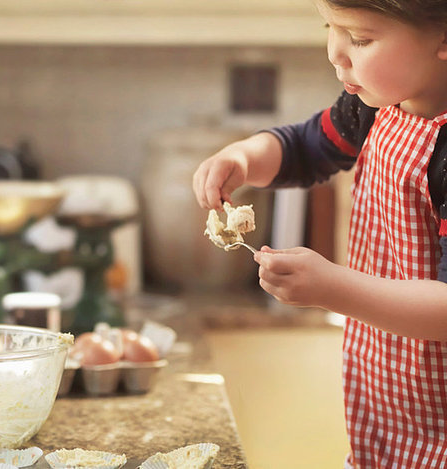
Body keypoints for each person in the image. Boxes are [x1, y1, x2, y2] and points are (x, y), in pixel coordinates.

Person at [192, 1, 447, 468]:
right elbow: (304, 148)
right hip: (386, 400)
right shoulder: (374, 106)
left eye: (361, 39)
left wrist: (333, 287)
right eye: (330, 27)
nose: (336, 53)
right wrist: (245, 157)